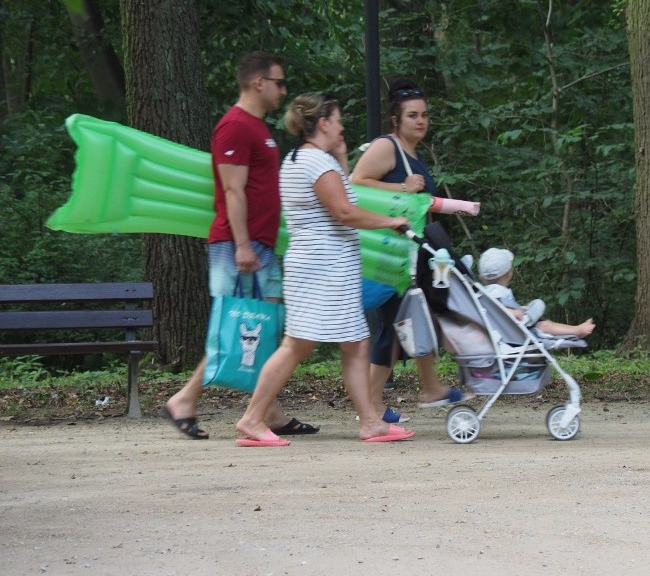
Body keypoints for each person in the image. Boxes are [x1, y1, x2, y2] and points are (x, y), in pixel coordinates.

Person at [234, 93, 415, 446]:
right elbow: (345, 213)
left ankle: (370, 422)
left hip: (324, 266)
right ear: (323, 123)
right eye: (337, 119)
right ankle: (253, 418)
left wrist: (343, 158)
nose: (342, 125)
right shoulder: (316, 163)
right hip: (323, 267)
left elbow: (341, 199)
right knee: (297, 345)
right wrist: (391, 220)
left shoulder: (302, 159)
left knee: (356, 343)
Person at [161, 51, 317, 440]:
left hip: (259, 245)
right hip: (238, 247)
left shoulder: (258, 128)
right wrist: (243, 245)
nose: (284, 90)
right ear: (257, 82)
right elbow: (232, 190)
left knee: (263, 327)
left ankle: (270, 411)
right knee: (234, 328)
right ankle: (184, 400)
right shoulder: (234, 126)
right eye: (279, 83)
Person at [350, 78, 472, 422]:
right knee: (393, 323)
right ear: (396, 120)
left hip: (407, 257)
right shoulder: (388, 147)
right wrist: (401, 185)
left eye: (424, 115)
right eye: (413, 116)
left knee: (398, 324)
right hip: (382, 257)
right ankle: (381, 403)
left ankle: (387, 401)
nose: (420, 121)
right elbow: (355, 182)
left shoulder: (414, 153)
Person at [477, 247, 596, 339]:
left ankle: (576, 329)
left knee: (538, 316)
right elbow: (492, 311)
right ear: (510, 273)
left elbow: (491, 308)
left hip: (503, 329)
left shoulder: (483, 292)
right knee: (543, 323)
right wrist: (514, 313)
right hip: (510, 331)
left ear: (481, 277)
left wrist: (519, 309)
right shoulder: (497, 291)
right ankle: (576, 331)